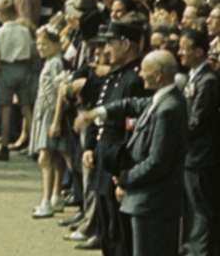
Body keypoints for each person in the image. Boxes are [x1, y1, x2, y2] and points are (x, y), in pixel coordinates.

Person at [76, 50, 188, 256]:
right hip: (146, 199)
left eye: (145, 71)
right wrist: (97, 113)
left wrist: (126, 178)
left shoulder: (169, 109)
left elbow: (157, 161)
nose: (140, 75)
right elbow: (132, 104)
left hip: (154, 202)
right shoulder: (161, 101)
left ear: (159, 75)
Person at [178, 27, 219, 256]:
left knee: (201, 208)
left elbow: (197, 121)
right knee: (192, 207)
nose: (180, 53)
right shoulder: (194, 78)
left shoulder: (208, 81)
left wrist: (175, 131)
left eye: (185, 49)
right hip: (190, 155)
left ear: (200, 51)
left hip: (201, 156)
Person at [0, 0, 37, 161]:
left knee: (5, 108)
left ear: (1, 14)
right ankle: (36, 143)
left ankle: (4, 145)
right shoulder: (24, 30)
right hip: (23, 67)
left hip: (6, 68)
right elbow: (32, 51)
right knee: (27, 107)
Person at [29, 24, 68, 218]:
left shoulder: (55, 64)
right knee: (54, 157)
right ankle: (55, 194)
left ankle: (46, 199)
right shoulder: (50, 62)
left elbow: (60, 90)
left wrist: (56, 119)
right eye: (38, 44)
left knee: (44, 158)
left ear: (55, 44)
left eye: (45, 44)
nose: (40, 47)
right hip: (44, 111)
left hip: (49, 112)